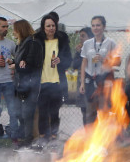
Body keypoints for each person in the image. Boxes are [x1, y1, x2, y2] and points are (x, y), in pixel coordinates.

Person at [34, 12, 72, 147]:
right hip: (41, 82)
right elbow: (31, 59)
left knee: (54, 111)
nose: (51, 28)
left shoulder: (62, 40)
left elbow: (69, 60)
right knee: (42, 111)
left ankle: (54, 136)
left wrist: (61, 61)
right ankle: (43, 136)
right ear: (43, 27)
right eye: (48, 26)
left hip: (57, 81)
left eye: (53, 25)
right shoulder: (37, 40)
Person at [79, 16, 119, 125]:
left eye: (98, 25)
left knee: (105, 110)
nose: (95, 28)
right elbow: (84, 63)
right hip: (90, 80)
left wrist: (105, 60)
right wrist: (82, 82)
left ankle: (105, 137)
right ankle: (91, 138)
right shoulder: (87, 43)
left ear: (104, 27)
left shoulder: (110, 42)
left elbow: (118, 62)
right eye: (93, 25)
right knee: (90, 111)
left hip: (105, 80)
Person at [11, 19, 42, 151]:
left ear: (20, 30)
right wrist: (15, 62)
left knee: (27, 113)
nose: (13, 33)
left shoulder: (33, 44)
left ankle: (28, 140)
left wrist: (17, 65)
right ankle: (25, 137)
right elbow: (21, 63)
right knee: (18, 112)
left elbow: (30, 65)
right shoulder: (20, 45)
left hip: (31, 84)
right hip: (19, 84)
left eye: (15, 30)